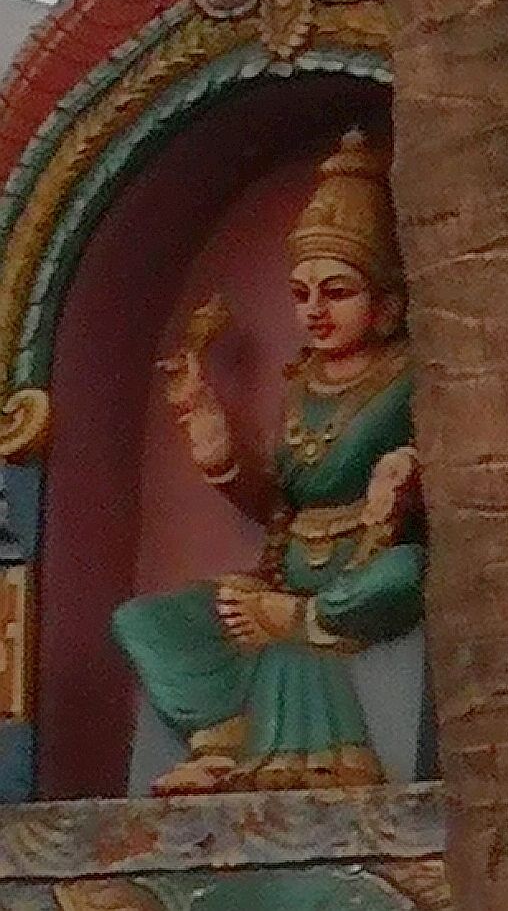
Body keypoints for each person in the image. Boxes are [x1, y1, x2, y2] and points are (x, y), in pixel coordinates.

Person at [114, 131, 423, 794]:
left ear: (388, 303)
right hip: (287, 571)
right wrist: (214, 439)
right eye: (302, 292)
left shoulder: (412, 377)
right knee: (142, 620)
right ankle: (220, 741)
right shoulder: (302, 384)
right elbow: (284, 500)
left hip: (364, 571)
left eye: (336, 291)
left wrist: (408, 469)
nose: (314, 309)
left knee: (408, 573)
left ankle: (301, 629)